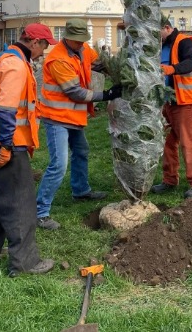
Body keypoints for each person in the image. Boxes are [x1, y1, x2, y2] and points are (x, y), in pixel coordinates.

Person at [0, 23, 56, 277]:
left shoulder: (5, 58)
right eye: (44, 45)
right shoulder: (16, 66)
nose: (44, 51)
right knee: (20, 204)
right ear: (34, 42)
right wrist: (7, 146)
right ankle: (25, 263)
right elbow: (7, 109)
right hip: (6, 145)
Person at [34, 18, 122, 230]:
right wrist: (106, 94)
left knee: (81, 151)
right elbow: (75, 92)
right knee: (59, 165)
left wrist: (116, 70)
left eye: (83, 40)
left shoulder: (82, 49)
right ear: (67, 38)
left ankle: (80, 191)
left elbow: (97, 63)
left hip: (72, 116)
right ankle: (40, 212)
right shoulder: (58, 59)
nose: (81, 43)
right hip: (56, 118)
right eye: (77, 40)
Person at [150, 19, 192, 199]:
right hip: (166, 102)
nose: (155, 36)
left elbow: (190, 62)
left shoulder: (184, 41)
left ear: (166, 27)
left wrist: (171, 69)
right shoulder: (161, 46)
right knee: (167, 143)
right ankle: (170, 179)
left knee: (189, 143)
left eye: (157, 32)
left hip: (184, 101)